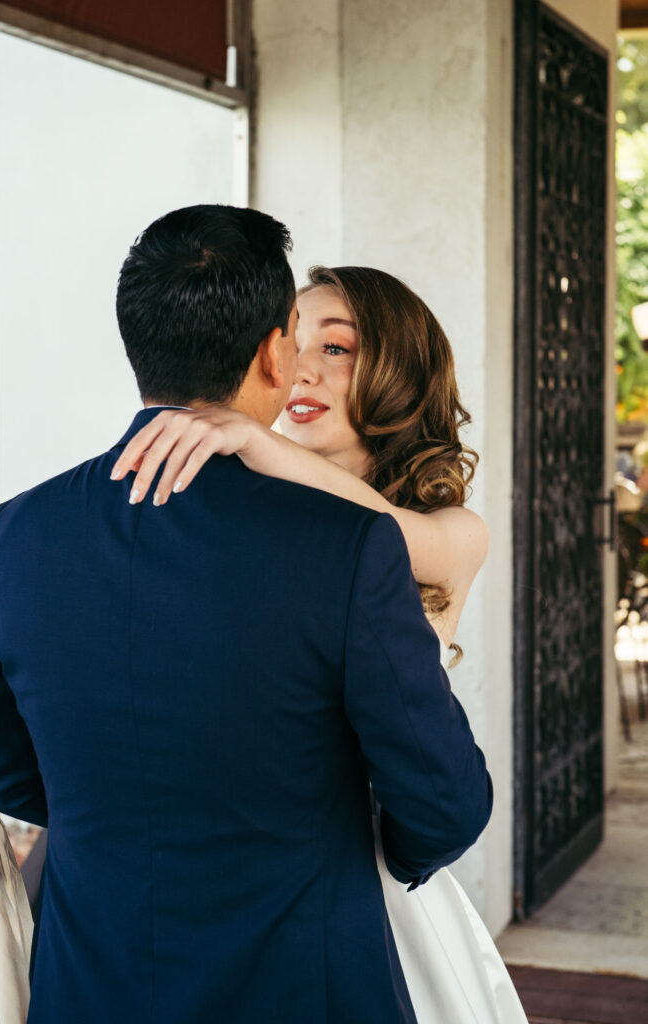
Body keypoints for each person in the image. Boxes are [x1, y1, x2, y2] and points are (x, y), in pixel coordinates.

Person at [0, 205, 492, 1024]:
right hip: (300, 979)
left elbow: (16, 780)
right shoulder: (345, 549)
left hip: (91, 980)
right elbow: (443, 808)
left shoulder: (9, 537)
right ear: (272, 352)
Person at [113, 263, 528, 1022]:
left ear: (399, 369)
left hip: (364, 880)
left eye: (336, 348)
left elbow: (387, 537)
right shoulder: (240, 506)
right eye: (293, 341)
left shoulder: (453, 532)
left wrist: (255, 441)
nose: (302, 368)